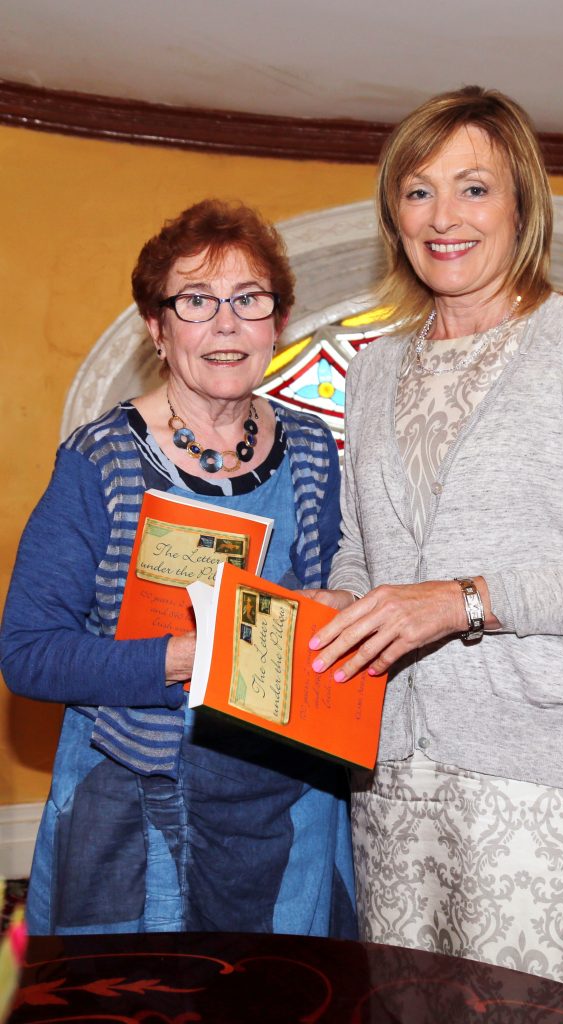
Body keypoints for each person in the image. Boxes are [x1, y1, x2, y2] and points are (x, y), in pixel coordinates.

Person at [306, 86, 563, 1009]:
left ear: (522, 204)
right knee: (411, 995)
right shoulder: (373, 367)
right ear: (393, 214)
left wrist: (463, 599)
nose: (443, 217)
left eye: (473, 188)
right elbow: (364, 551)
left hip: (540, 749)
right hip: (393, 755)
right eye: (418, 191)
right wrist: (338, 606)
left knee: (538, 1001)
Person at [0, 199, 356, 938]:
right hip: (136, 799)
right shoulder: (101, 458)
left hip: (286, 799)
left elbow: (328, 592)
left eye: (249, 300)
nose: (225, 325)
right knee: (140, 1002)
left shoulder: (316, 449)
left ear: (277, 323)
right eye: (196, 301)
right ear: (158, 330)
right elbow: (28, 654)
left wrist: (333, 605)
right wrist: (183, 658)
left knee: (285, 997)